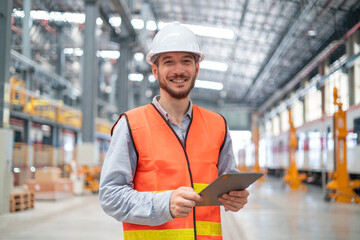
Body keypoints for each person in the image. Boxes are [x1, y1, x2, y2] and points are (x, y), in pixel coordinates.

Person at [99, 22, 249, 240]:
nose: (178, 70)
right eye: (169, 62)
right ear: (155, 69)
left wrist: (236, 198)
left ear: (197, 68)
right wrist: (164, 204)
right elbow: (110, 196)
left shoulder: (217, 125)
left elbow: (228, 183)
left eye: (186, 62)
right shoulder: (131, 125)